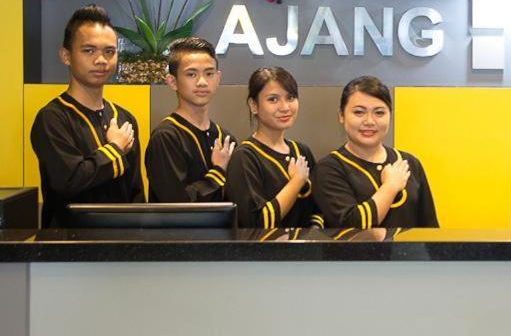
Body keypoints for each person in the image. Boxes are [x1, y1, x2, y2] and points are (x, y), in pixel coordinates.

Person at [30, 4, 144, 227]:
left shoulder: (124, 117)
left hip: (122, 245)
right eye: (89, 50)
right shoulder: (52, 117)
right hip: (68, 248)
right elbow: (69, 181)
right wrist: (114, 150)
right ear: (66, 55)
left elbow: (136, 192)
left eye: (109, 52)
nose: (101, 60)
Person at [313, 76, 438, 229]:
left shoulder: (409, 163)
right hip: (352, 254)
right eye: (359, 112)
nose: (370, 121)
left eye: (379, 113)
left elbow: (429, 228)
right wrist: (390, 186)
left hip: (409, 253)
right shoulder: (329, 168)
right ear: (341, 116)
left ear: (390, 115)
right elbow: (352, 226)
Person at [226, 67, 322, 228]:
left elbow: (318, 210)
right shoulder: (245, 157)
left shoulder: (302, 152)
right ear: (254, 105)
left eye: (290, 98)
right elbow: (256, 223)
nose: (285, 107)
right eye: (273, 99)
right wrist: (296, 182)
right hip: (265, 252)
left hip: (305, 251)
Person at [145, 37, 236, 202]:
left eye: (209, 74)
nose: (202, 82)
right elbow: (177, 204)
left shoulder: (225, 139)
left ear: (218, 78)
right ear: (172, 82)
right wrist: (218, 171)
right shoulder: (166, 137)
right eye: (191, 74)